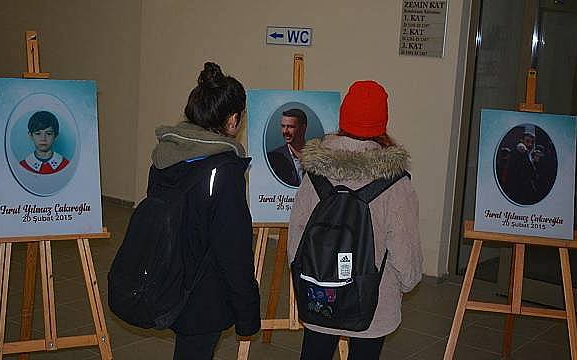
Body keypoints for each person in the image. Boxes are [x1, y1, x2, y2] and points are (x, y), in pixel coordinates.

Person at [288, 80, 423, 359]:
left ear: (343, 119)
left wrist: (306, 276)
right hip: (373, 301)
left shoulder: (315, 172)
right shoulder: (396, 183)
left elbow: (296, 237)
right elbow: (403, 252)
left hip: (320, 292)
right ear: (381, 123)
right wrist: (408, 282)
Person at [150, 62, 260, 359]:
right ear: (233, 119)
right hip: (204, 295)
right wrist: (248, 312)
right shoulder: (224, 170)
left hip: (169, 281)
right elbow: (233, 248)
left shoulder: (164, 156)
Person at [267, 108, 307, 186]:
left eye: (291, 127)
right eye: (283, 126)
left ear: (303, 128)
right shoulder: (273, 159)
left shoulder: (318, 157)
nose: (285, 131)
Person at [503, 130, 537, 204]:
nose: (530, 144)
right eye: (527, 141)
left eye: (532, 142)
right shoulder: (521, 152)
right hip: (519, 190)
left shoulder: (528, 154)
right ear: (521, 141)